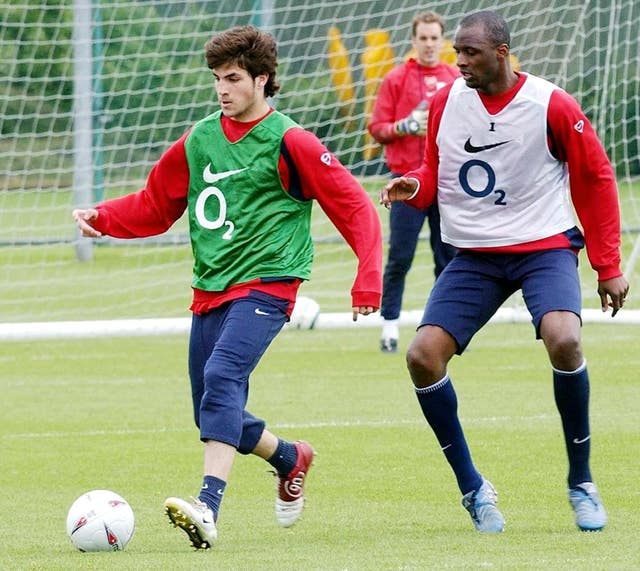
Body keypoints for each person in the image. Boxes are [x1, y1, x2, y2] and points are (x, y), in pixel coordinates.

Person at [73, 25, 382, 549]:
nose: (223, 88)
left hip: (269, 284)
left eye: (234, 78)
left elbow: (352, 204)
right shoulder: (200, 140)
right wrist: (102, 218)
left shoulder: (292, 140)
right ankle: (290, 457)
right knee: (212, 409)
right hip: (211, 287)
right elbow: (155, 204)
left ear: (262, 79)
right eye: (217, 78)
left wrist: (367, 278)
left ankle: (207, 508)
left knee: (222, 375)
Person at [379, 10, 629, 533]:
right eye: (456, 53)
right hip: (476, 255)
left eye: (469, 53)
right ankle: (473, 488)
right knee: (423, 357)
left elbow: (596, 178)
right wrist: (414, 187)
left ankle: (581, 481)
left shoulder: (551, 104)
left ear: (501, 52)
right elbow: (436, 172)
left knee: (564, 339)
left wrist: (608, 265)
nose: (459, 62)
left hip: (544, 248)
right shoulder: (447, 101)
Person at [368, 11, 460, 354]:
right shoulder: (396, 79)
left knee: (448, 256)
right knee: (400, 256)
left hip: (446, 183)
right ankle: (389, 328)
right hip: (406, 183)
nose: (429, 44)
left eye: (435, 37)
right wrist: (403, 127)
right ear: (414, 40)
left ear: (443, 40)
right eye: (423, 38)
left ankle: (446, 327)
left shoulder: (456, 78)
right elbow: (377, 128)